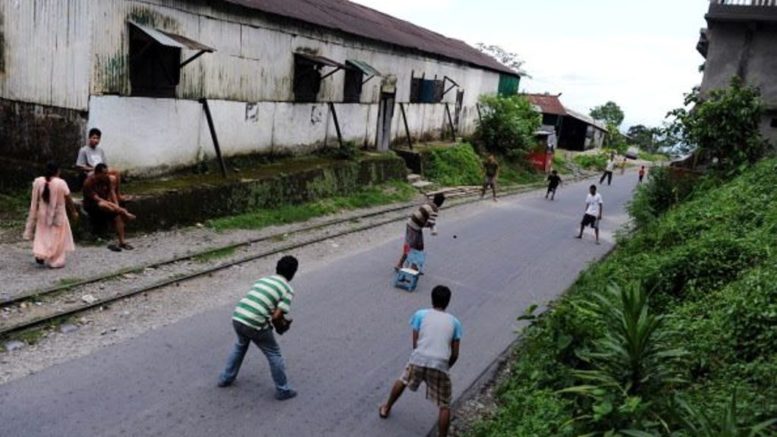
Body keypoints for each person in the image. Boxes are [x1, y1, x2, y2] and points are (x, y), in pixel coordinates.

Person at [379, 285, 462, 437]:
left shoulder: (420, 314)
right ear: (448, 302)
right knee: (445, 405)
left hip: (419, 358)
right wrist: (445, 366)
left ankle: (386, 408)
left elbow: (415, 344)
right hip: (440, 364)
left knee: (403, 380)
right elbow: (455, 354)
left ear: (432, 299)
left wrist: (420, 357)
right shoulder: (455, 322)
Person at [217, 255, 299, 401]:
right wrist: (281, 327)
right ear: (293, 273)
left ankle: (226, 378)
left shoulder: (263, 280)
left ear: (277, 268)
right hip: (254, 323)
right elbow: (276, 316)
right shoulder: (287, 289)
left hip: (238, 317)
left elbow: (263, 304)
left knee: (240, 345)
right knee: (274, 353)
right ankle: (283, 390)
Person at [23, 162, 78, 268]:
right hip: (58, 214)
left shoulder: (38, 181)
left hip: (42, 213)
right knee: (58, 237)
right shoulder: (61, 183)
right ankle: (56, 260)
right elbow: (68, 198)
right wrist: (74, 211)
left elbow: (36, 199)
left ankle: (41, 253)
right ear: (58, 171)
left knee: (42, 234)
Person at [82, 163, 136, 252]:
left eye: (107, 173)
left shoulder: (107, 179)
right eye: (104, 173)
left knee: (117, 216)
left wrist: (116, 205)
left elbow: (112, 192)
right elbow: (98, 200)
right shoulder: (88, 183)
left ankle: (122, 242)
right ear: (98, 173)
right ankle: (124, 213)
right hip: (92, 205)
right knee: (103, 205)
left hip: (105, 202)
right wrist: (121, 210)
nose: (107, 175)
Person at [396, 193, 445, 271]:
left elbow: (426, 219)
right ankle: (400, 264)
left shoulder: (428, 204)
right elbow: (430, 223)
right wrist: (433, 229)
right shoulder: (434, 210)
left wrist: (429, 224)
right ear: (441, 203)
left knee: (419, 246)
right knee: (410, 246)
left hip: (412, 223)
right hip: (414, 227)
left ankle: (414, 266)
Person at [76, 128, 127, 201]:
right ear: (89, 138)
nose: (96, 140)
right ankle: (109, 197)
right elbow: (79, 166)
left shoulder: (100, 150)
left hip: (102, 170)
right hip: (92, 172)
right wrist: (93, 168)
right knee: (112, 179)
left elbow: (104, 163)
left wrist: (105, 169)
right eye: (94, 138)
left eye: (98, 138)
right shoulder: (83, 150)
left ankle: (118, 195)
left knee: (116, 172)